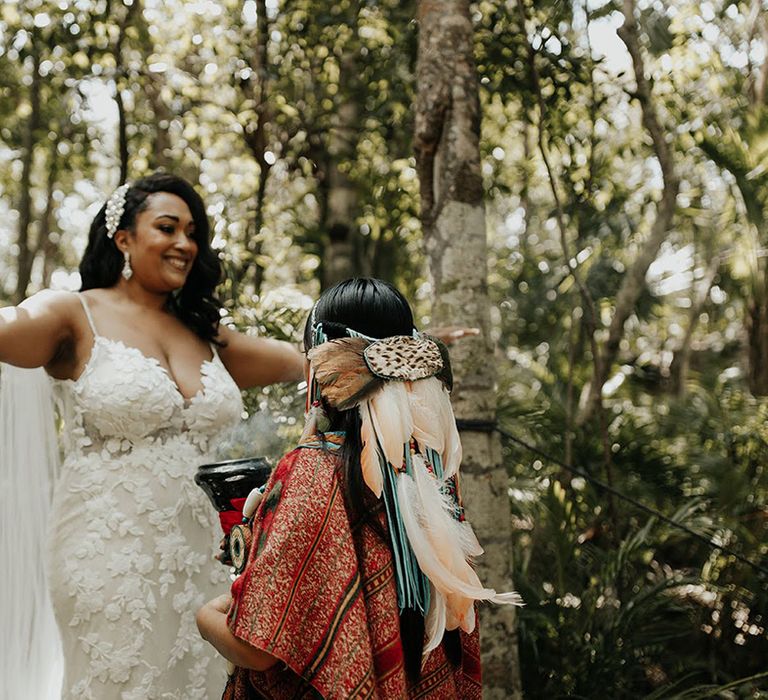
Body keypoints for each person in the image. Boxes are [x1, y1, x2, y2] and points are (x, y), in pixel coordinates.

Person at [0, 173, 305, 699]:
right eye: (168, 227)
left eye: (192, 232)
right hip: (107, 551)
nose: (185, 243)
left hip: (210, 552)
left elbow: (310, 362)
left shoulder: (206, 332)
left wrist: (395, 347)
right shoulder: (71, 313)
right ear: (123, 237)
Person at [196, 278, 522, 699]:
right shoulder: (429, 468)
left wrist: (206, 618)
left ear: (316, 365)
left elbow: (258, 649)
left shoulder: (310, 470)